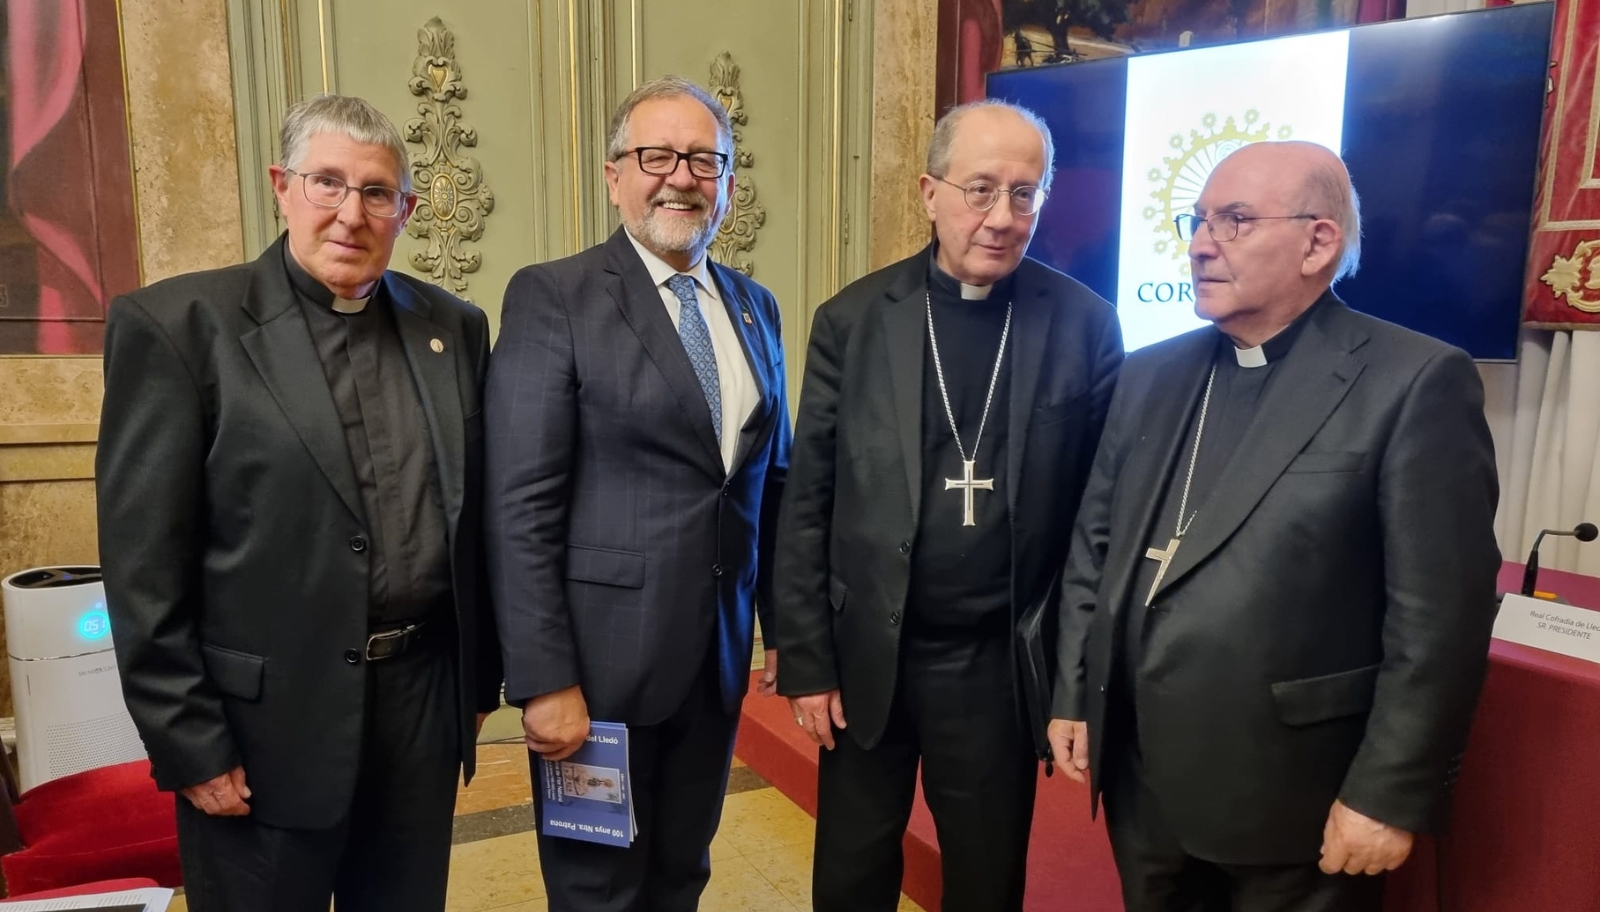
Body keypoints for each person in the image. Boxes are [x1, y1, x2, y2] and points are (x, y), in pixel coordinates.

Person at [1049, 141, 1501, 912]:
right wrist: (1075, 694)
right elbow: (1097, 547)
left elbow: (1440, 623)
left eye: (1234, 221)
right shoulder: (1151, 375)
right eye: (1197, 221)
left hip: (1295, 797)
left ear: (1319, 241)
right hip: (1144, 779)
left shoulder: (1413, 381)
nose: (1199, 244)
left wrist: (1388, 796)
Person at [96, 94, 502, 912]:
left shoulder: (454, 327)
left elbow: (479, 516)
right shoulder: (181, 327)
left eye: (377, 192)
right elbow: (144, 569)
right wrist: (190, 742)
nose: (351, 214)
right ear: (282, 186)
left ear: (408, 209)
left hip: (419, 712)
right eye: (328, 183)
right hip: (262, 732)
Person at [774, 99, 1123, 911]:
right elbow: (807, 502)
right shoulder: (854, 321)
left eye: (1026, 193)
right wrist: (806, 658)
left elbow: (1097, 521)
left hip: (999, 663)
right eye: (980, 190)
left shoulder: (1085, 327)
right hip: (871, 654)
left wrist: (1075, 676)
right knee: (853, 872)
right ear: (929, 193)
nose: (1003, 217)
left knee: (987, 876)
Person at [485, 76, 791, 912]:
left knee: (681, 873)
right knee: (598, 891)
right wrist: (542, 679)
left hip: (714, 664)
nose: (681, 177)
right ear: (616, 173)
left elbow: (773, 485)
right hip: (596, 678)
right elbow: (519, 505)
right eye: (657, 155)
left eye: (704, 159)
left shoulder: (756, 308)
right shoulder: (556, 296)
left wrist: (786, 634)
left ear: (728, 180)